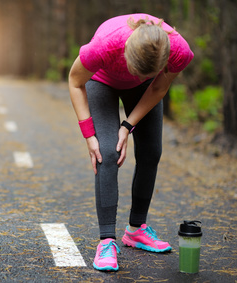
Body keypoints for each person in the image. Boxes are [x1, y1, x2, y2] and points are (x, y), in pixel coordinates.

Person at [68, 13, 194, 271]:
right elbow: (74, 80)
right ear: (125, 50)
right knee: (106, 152)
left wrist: (128, 125)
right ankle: (106, 241)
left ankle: (136, 230)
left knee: (151, 151)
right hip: (102, 81)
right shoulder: (105, 44)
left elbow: (158, 89)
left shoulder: (179, 50)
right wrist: (89, 135)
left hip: (146, 88)